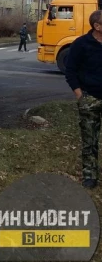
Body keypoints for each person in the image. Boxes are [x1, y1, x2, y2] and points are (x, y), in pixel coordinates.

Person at [65, 10, 102, 189]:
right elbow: (70, 70)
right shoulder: (81, 44)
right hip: (90, 98)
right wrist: (80, 95)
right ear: (97, 26)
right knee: (90, 139)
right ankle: (90, 175)